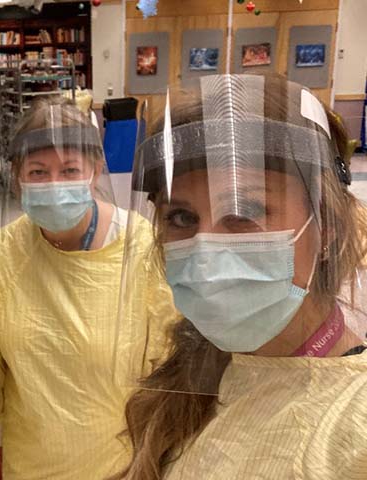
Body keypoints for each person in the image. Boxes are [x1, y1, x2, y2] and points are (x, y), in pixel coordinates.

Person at [116, 73, 367, 480]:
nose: (205, 249)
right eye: (181, 217)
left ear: (327, 226)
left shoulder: (354, 429)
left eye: (244, 213)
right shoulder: (195, 373)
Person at [0, 97, 175, 480]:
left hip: (122, 460)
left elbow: (169, 364)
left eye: (70, 170)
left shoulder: (140, 246)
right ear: (16, 175)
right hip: (30, 460)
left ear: (96, 170)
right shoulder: (1, 255)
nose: (55, 184)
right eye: (37, 171)